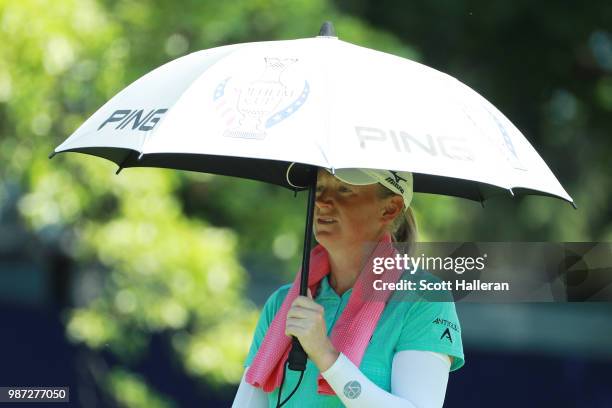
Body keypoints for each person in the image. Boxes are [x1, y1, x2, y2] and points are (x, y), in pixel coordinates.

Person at [233, 168, 464, 407]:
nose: (322, 201)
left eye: (344, 189)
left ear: (390, 208)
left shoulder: (425, 299)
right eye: (319, 188)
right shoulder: (284, 302)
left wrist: (325, 355)